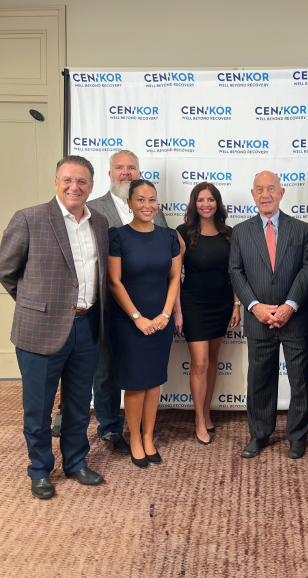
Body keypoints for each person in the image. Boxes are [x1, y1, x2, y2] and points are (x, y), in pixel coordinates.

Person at [0, 155, 109, 499]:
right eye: (67, 180)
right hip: (39, 330)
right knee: (39, 408)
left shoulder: (101, 223)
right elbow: (5, 270)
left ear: (92, 186)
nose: (74, 187)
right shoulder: (30, 218)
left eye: (82, 181)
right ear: (56, 182)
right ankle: (40, 470)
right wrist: (36, 306)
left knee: (78, 405)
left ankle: (76, 462)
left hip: (87, 327)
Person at [229, 171, 308, 460]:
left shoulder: (301, 229)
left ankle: (297, 436)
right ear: (252, 194)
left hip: (295, 318)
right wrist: (255, 306)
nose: (265, 194)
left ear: (281, 192)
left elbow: (307, 269)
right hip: (258, 318)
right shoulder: (241, 231)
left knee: (300, 380)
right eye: (259, 190)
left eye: (271, 189)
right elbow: (235, 271)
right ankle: (260, 434)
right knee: (259, 380)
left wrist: (291, 304)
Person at [87, 150, 168, 455]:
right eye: (119, 167)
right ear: (109, 174)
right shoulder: (94, 208)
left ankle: (140, 432)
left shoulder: (152, 209)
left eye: (131, 167)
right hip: (107, 305)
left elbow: (166, 250)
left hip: (149, 305)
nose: (125, 172)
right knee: (106, 369)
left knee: (144, 374)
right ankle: (109, 427)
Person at [107, 179, 181, 468]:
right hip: (130, 321)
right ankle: (134, 438)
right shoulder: (118, 236)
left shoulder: (169, 236)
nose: (147, 205)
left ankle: (149, 436)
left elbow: (174, 278)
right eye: (140, 200)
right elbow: (114, 281)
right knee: (136, 384)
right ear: (129, 203)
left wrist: (165, 314)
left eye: (152, 199)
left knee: (154, 382)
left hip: (160, 321)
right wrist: (138, 318)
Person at [174, 182, 241, 445]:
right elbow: (174, 277)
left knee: (213, 359)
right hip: (193, 304)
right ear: (194, 203)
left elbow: (234, 273)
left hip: (222, 304)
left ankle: (206, 411)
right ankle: (198, 420)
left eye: (211, 199)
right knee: (200, 362)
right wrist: (177, 311)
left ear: (217, 203)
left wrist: (236, 304)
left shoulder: (228, 233)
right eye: (201, 199)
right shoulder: (183, 232)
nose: (206, 204)